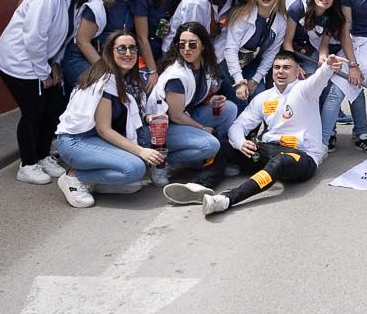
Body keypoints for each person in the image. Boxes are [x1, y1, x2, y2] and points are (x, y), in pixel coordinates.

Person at [163, 52, 345, 215]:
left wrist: (328, 66)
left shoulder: (306, 90)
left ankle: (227, 199)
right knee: (225, 145)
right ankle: (200, 187)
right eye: (277, 67)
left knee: (280, 161)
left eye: (287, 68)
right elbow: (238, 126)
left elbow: (320, 77)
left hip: (302, 157)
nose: (281, 71)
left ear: (298, 71)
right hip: (270, 149)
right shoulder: (263, 98)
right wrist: (242, 142)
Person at [0, 0, 90, 184]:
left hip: (43, 61)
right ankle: (27, 165)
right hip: (18, 61)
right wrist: (43, 72)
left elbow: (63, 36)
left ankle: (42, 155)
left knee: (54, 106)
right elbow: (34, 38)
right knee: (33, 112)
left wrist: (55, 64)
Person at [54, 31, 164, 207]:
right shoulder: (105, 79)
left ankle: (97, 182)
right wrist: (140, 151)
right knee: (134, 168)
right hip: (75, 142)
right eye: (121, 48)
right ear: (110, 52)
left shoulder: (125, 77)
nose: (128, 53)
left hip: (94, 139)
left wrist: (148, 117)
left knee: (134, 174)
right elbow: (103, 129)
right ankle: (74, 178)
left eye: (132, 48)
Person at [145, 23, 234, 185]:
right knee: (210, 143)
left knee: (229, 109)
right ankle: (159, 161)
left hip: (183, 119)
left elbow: (191, 97)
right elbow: (176, 116)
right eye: (182, 44)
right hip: (160, 130)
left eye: (192, 44)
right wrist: (203, 129)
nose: (187, 49)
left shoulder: (202, 65)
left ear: (203, 47)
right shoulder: (176, 75)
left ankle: (209, 158)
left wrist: (209, 100)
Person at [284, 0, 367, 151]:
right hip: (298, 53)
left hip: (330, 51)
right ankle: (309, 130)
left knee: (346, 86)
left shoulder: (332, 14)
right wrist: (294, 65)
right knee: (312, 83)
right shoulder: (298, 7)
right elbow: (287, 42)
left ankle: (349, 132)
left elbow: (323, 46)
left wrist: (324, 60)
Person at [64, 0, 140, 88]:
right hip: (83, 57)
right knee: (106, 89)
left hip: (113, 57)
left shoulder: (136, 0)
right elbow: (82, 41)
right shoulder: (101, 0)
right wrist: (107, 72)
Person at [223, 0, 287, 102]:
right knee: (240, 101)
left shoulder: (281, 20)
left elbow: (271, 53)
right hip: (226, 62)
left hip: (250, 63)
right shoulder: (243, 14)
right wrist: (239, 81)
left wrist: (255, 80)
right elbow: (230, 49)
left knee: (259, 99)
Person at [133, 0, 186, 91]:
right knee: (152, 89)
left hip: (174, 56)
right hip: (146, 56)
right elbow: (141, 38)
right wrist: (153, 71)